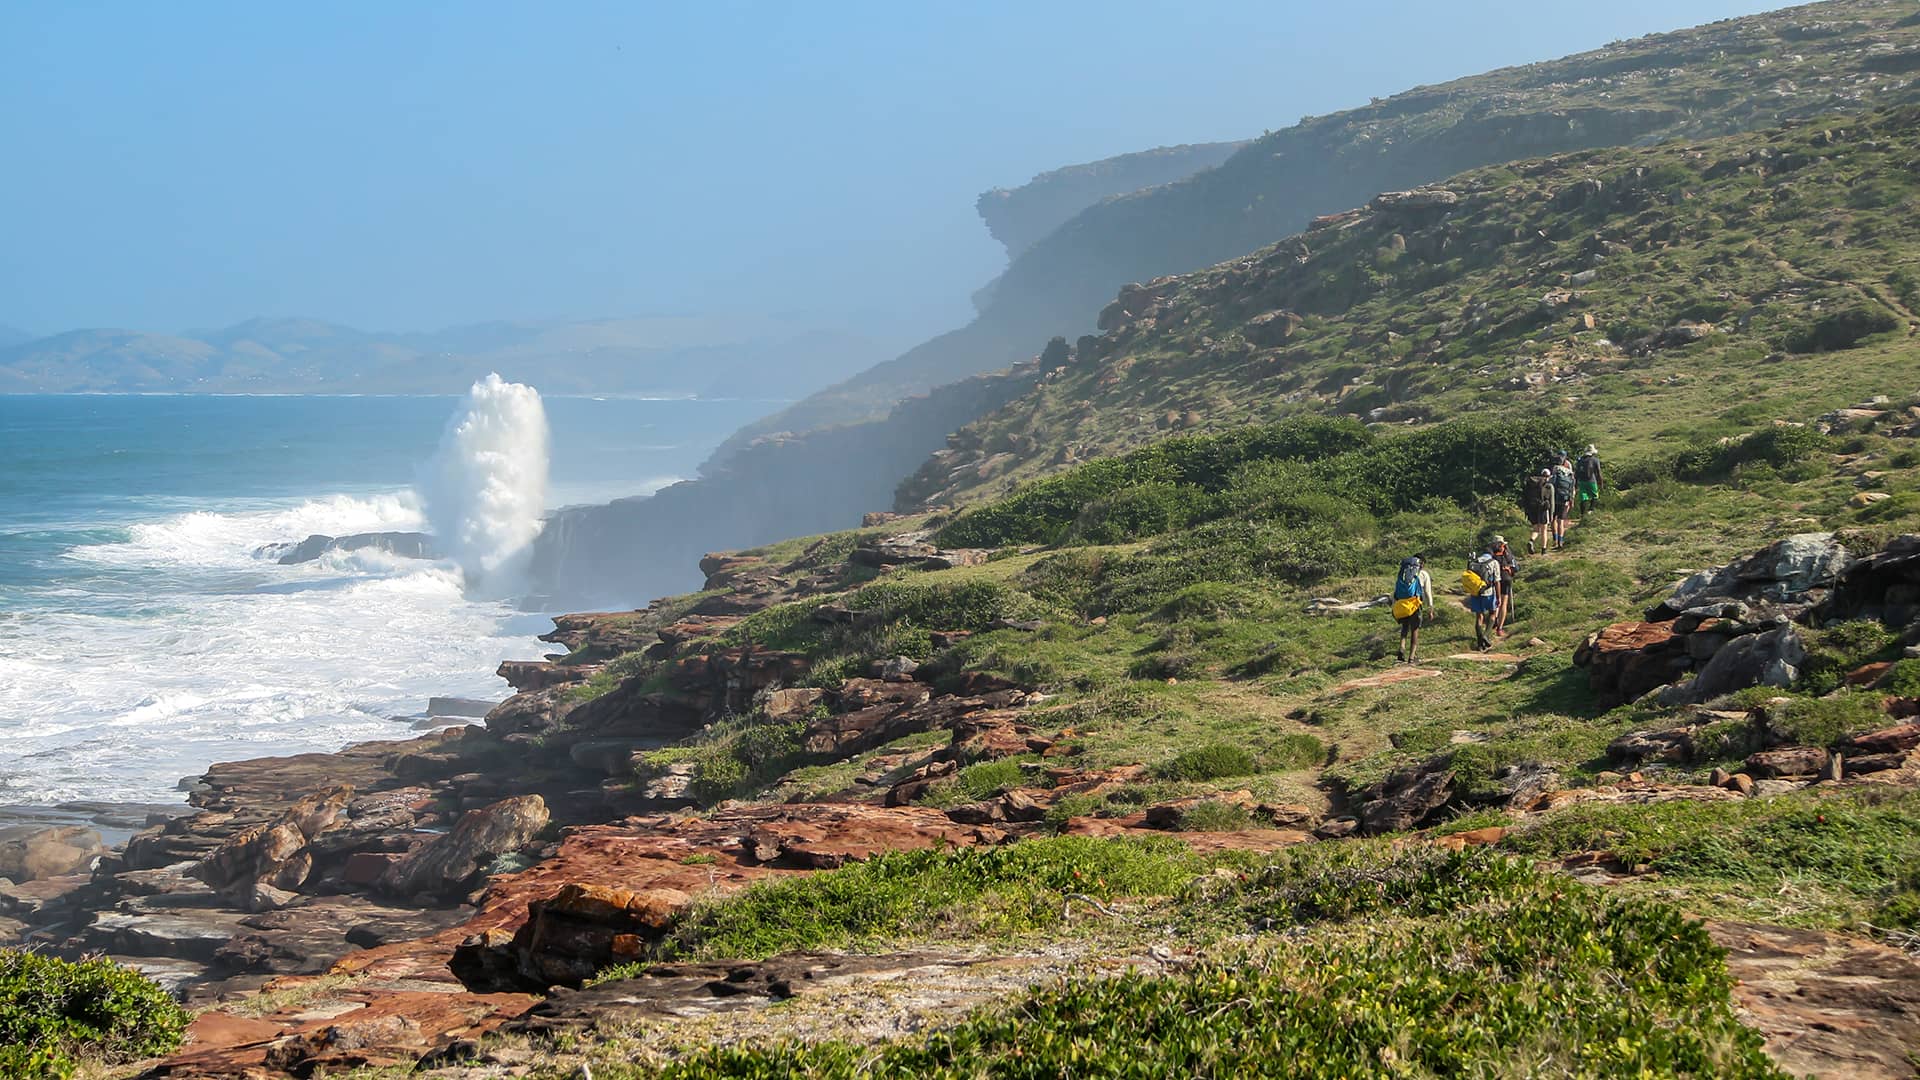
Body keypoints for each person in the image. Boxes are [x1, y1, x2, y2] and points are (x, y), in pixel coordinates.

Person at [1392, 555, 1434, 664]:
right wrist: (1430, 608)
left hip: (1403, 602)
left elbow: (1396, 590)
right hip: (1415, 604)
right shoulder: (1423, 574)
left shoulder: (1404, 573)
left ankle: (1402, 647)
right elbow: (1428, 593)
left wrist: (1394, 605)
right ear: (1422, 563)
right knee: (1415, 629)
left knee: (1405, 626)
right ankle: (1411, 657)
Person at [1464, 551, 1501, 651]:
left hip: (1476, 593)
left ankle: (1480, 644)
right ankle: (1486, 635)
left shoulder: (1474, 561)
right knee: (1493, 613)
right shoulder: (1494, 562)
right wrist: (1498, 597)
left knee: (1479, 617)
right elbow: (1497, 581)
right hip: (1489, 592)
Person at [1488, 534, 1518, 637]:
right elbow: (1516, 568)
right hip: (1506, 579)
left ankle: (1494, 622)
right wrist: (1509, 570)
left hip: (1495, 580)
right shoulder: (1508, 554)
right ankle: (1500, 628)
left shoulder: (1491, 554)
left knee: (1496, 601)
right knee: (1503, 603)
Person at [1522, 468, 1555, 555]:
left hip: (1532, 508)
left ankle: (1531, 540)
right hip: (1543, 509)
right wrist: (1551, 516)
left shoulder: (1531, 484)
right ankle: (1543, 551)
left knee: (1536, 529)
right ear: (1548, 476)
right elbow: (1551, 502)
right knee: (1544, 530)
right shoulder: (1548, 486)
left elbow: (1525, 498)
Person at [1550, 451, 1576, 550]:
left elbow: (1550, 485)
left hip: (1554, 499)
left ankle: (1555, 540)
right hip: (1565, 499)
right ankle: (1561, 541)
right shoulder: (1569, 472)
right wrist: (1571, 499)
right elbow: (1572, 486)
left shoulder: (1555, 470)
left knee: (1553, 520)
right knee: (1561, 521)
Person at [1575, 443, 1603, 518]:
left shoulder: (1580, 460)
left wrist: (1576, 483)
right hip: (1591, 481)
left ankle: (1582, 514)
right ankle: (1591, 510)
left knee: (1583, 497)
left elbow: (1576, 472)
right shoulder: (1595, 460)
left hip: (1581, 481)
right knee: (1595, 496)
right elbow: (1598, 472)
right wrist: (1601, 482)